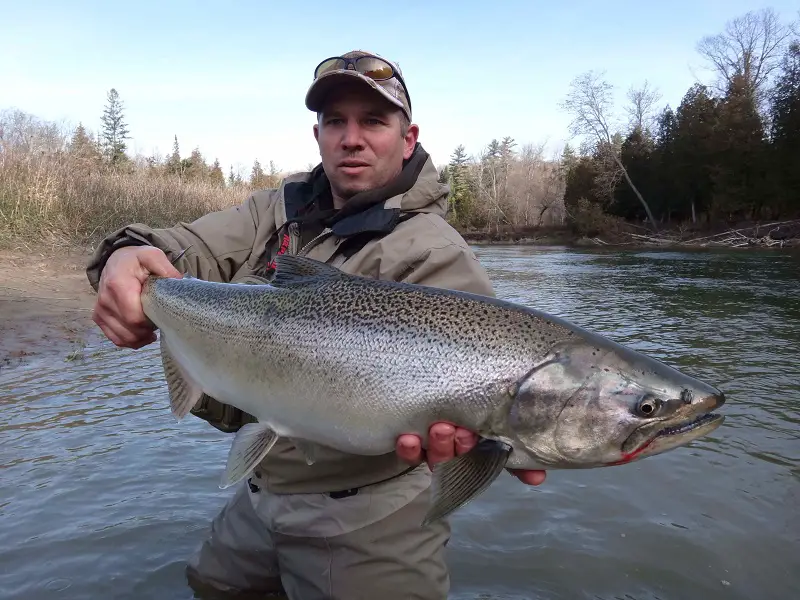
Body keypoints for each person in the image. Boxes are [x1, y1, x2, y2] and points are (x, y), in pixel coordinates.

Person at [86, 49, 546, 600]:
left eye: (373, 121)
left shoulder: (436, 255)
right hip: (263, 489)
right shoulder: (277, 210)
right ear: (319, 135)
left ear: (408, 136)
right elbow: (186, 246)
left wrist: (497, 442)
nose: (351, 138)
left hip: (368, 517)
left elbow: (482, 400)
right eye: (336, 122)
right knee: (211, 585)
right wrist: (127, 255)